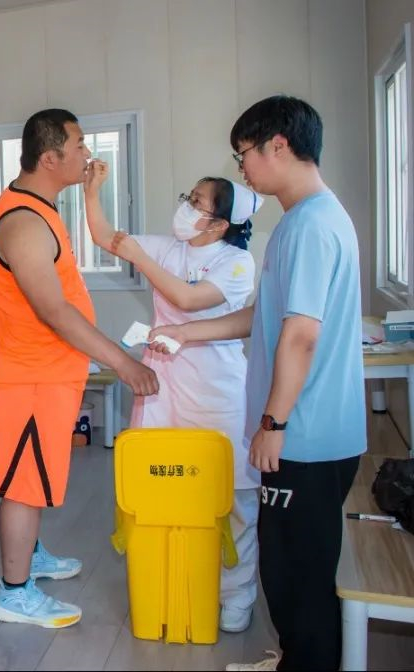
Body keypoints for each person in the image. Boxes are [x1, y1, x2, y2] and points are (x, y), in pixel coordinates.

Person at [152, 96, 366, 672]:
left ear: (278, 145)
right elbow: (263, 316)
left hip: (306, 434)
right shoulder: (297, 221)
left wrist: (274, 423)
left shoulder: (313, 225)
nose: (241, 167)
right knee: (285, 566)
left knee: (299, 576)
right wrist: (186, 334)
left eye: (243, 153)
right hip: (302, 430)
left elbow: (300, 336)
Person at [0, 108, 159, 629]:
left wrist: (90, 194)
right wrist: (121, 362)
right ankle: (14, 592)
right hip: (32, 376)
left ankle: (31, 556)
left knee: (35, 473)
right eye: (79, 145)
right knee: (23, 482)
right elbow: (54, 311)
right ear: (49, 157)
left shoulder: (40, 206)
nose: (87, 154)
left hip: (50, 373)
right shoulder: (22, 223)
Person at [84, 164, 263, 633]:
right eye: (190, 195)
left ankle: (236, 594)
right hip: (163, 384)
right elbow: (104, 236)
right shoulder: (171, 247)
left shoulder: (236, 263)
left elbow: (187, 299)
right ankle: (172, 572)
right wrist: (93, 191)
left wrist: (139, 258)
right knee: (161, 484)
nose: (186, 205)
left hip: (216, 390)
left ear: (219, 224)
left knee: (233, 497)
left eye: (197, 202)